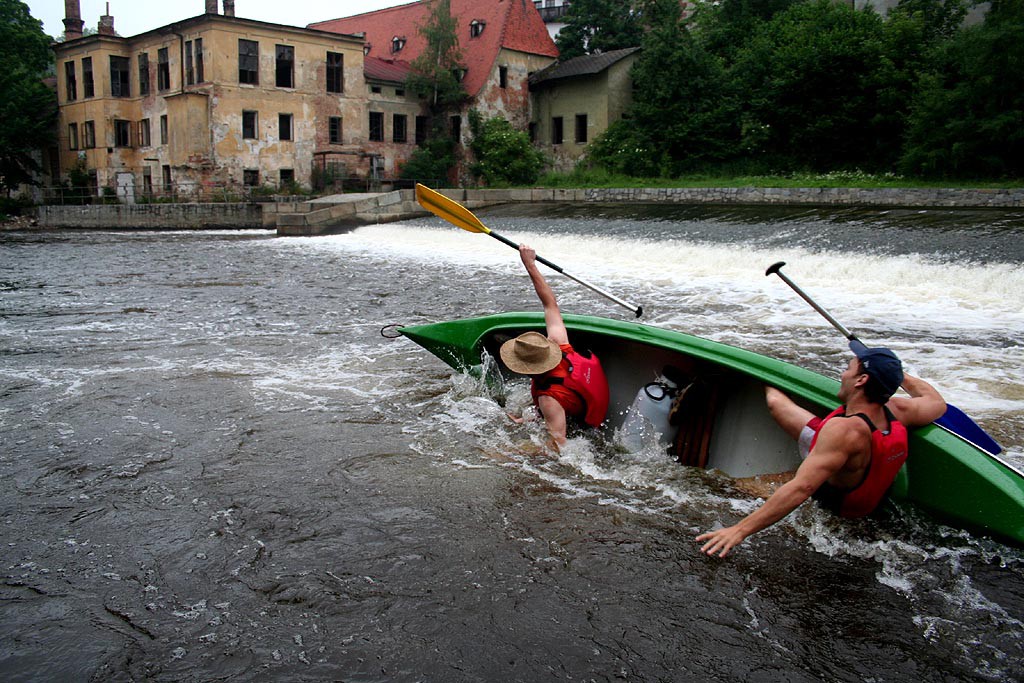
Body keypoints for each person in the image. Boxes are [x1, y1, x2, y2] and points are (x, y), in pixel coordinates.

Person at [697, 342, 946, 558]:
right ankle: (763, 376)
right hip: (860, 484)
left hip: (833, 511)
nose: (842, 374)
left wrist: (738, 530)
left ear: (861, 380)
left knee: (729, 483)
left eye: (848, 368)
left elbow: (802, 488)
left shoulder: (843, 432)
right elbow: (936, 402)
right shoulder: (898, 411)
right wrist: (894, 372)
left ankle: (757, 376)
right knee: (775, 403)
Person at [499, 244, 610, 448]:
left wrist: (511, 453)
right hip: (593, 387)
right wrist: (529, 264)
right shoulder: (559, 343)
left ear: (527, 369)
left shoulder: (548, 399)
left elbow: (558, 445)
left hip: (587, 418)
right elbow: (550, 303)